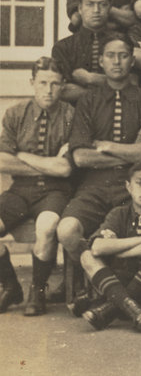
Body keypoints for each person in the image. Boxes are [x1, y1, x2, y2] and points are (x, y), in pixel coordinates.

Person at [56, 35, 141, 272]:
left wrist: (107, 146)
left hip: (134, 187)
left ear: (132, 61)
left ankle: (109, 284)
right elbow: (81, 157)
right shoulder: (88, 100)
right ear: (101, 61)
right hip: (93, 186)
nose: (117, 62)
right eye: (110, 56)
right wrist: (131, 152)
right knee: (66, 230)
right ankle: (94, 276)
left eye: (123, 56)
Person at [0, 58, 73, 315]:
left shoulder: (70, 115)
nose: (48, 90)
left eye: (55, 84)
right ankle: (10, 286)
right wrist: (48, 163)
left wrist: (22, 155)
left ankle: (37, 291)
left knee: (47, 226)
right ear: (32, 83)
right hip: (21, 190)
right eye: (43, 83)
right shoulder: (16, 113)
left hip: (55, 191)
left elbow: (65, 169)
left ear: (62, 86)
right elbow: (2, 160)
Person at [78, 160, 141, 331]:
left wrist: (120, 251)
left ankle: (113, 308)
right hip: (119, 287)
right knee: (87, 255)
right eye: (139, 183)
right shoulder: (119, 214)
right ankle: (128, 306)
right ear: (128, 187)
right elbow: (97, 247)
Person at [52, 0, 115, 102]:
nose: (96, 10)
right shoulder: (63, 47)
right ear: (80, 8)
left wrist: (90, 78)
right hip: (76, 115)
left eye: (102, 4)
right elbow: (62, 90)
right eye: (90, 4)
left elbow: (131, 83)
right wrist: (111, 87)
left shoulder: (121, 42)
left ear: (109, 7)